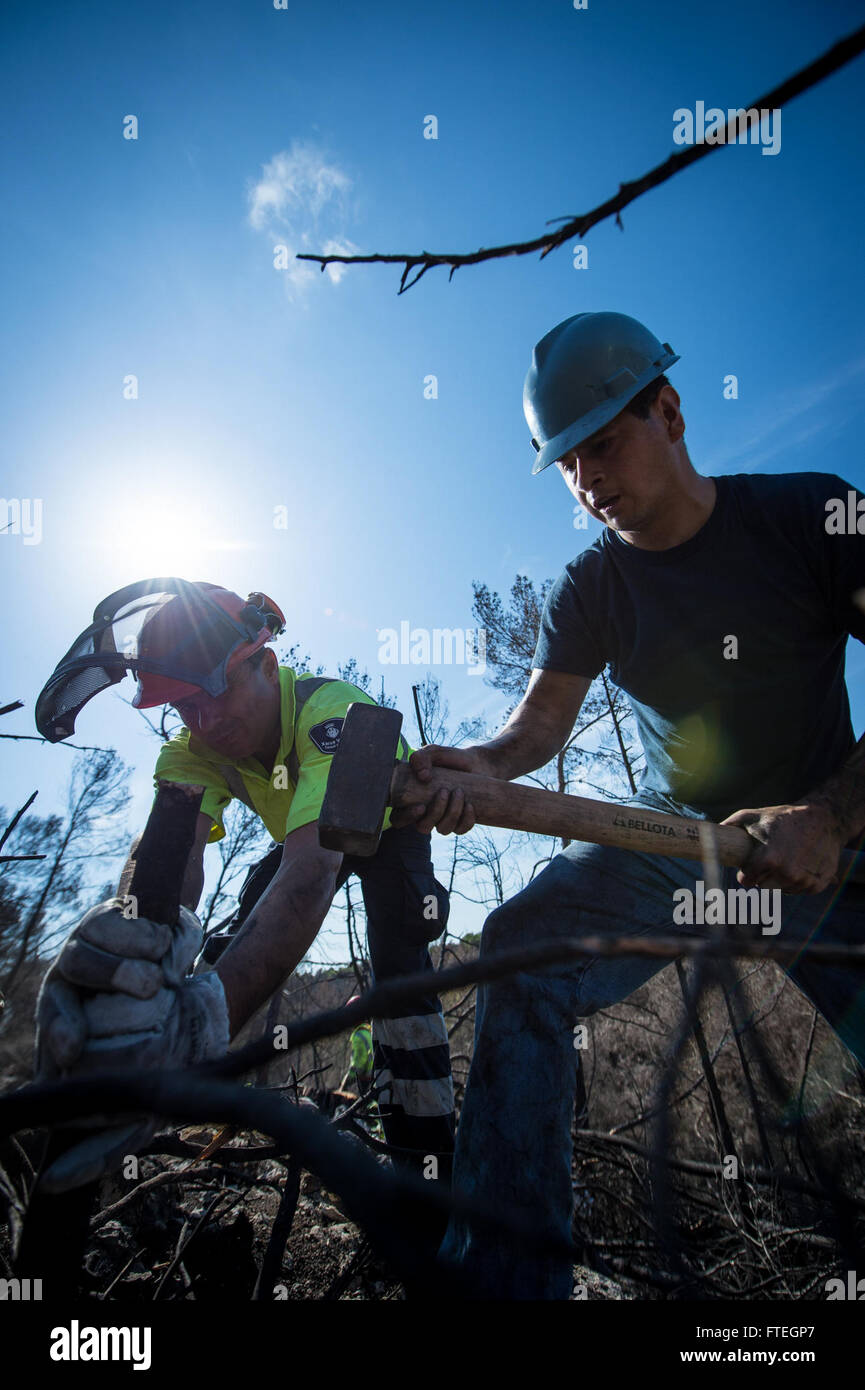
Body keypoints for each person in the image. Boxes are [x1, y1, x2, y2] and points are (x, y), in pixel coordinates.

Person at [394, 311, 865, 1299]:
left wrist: (830, 814)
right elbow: (532, 734)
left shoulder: (814, 514)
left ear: (671, 409)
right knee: (521, 953)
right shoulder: (592, 585)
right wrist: (470, 768)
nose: (585, 477)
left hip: (831, 846)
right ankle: (507, 1282)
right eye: (566, 461)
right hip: (672, 850)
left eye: (602, 442)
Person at [34, 579, 455, 1196]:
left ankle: (429, 1171)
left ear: (267, 663)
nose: (204, 721)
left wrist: (206, 1028)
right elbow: (169, 867)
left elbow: (314, 872)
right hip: (301, 834)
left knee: (400, 968)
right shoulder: (194, 748)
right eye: (183, 706)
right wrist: (134, 956)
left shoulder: (333, 712)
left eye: (217, 690)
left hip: (388, 826)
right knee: (234, 937)